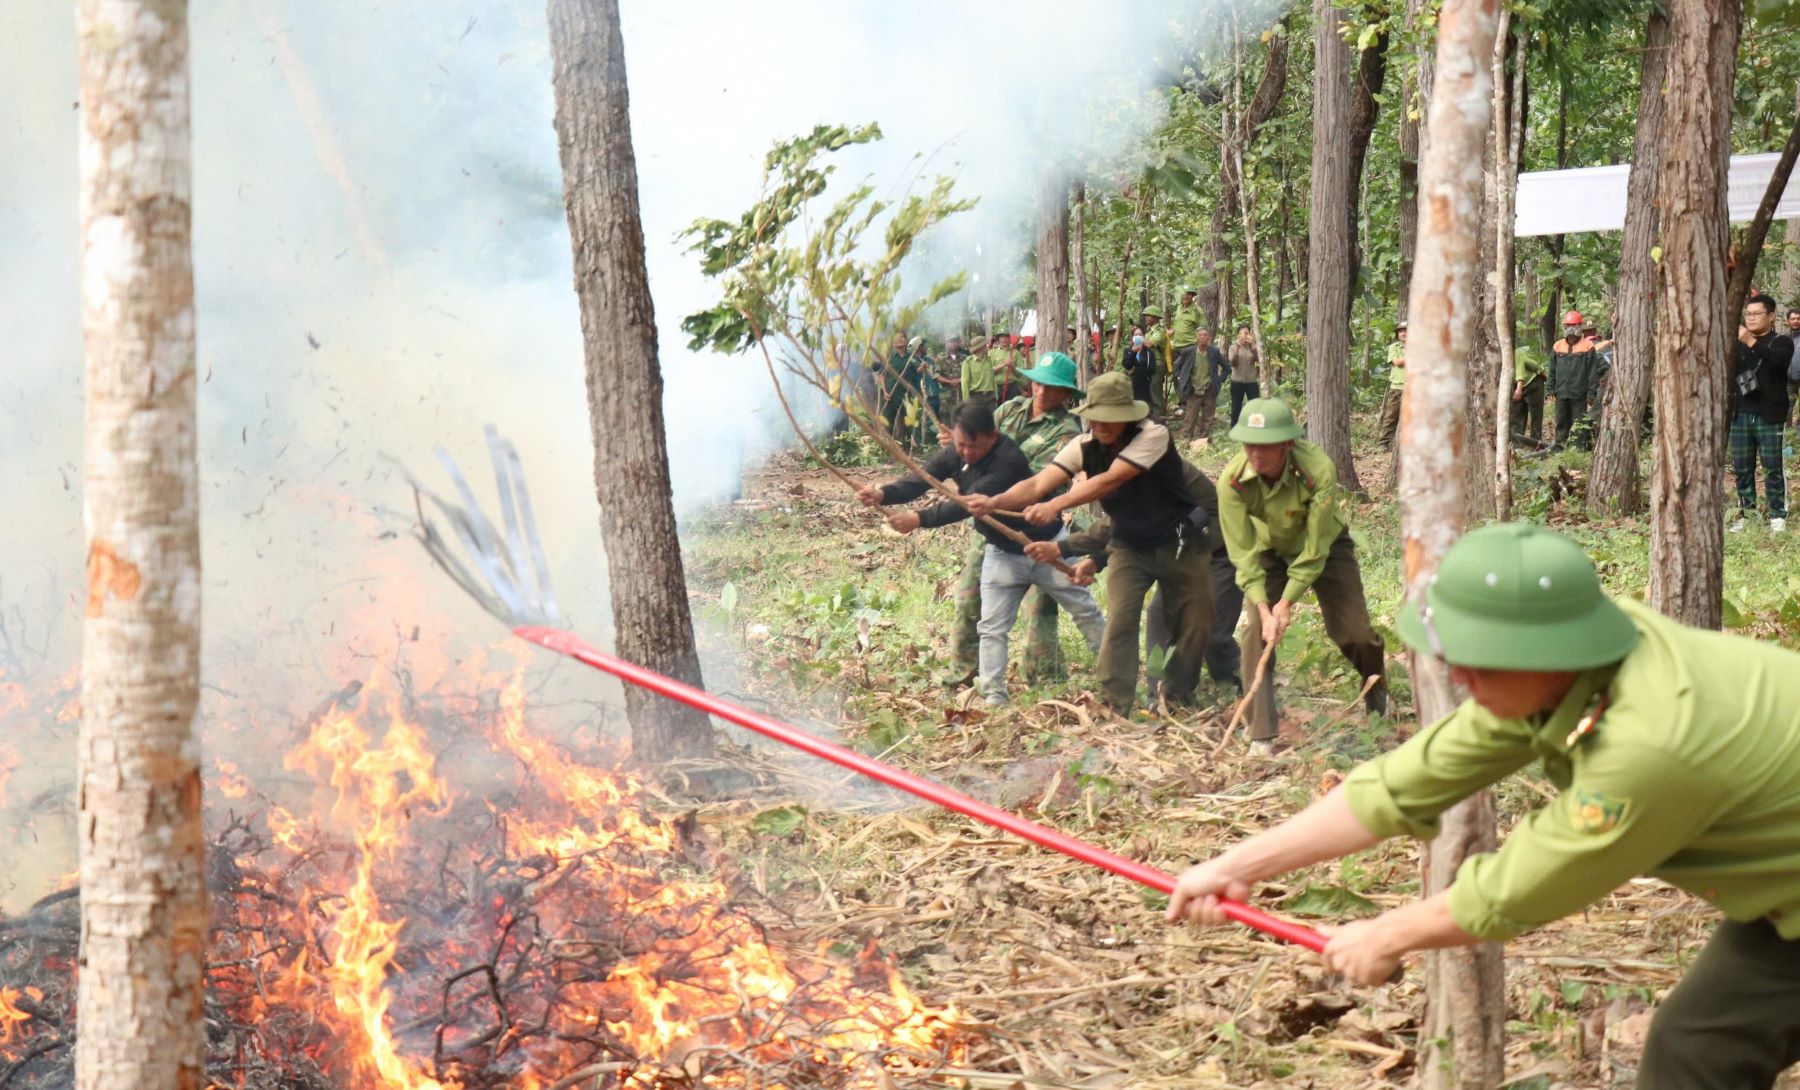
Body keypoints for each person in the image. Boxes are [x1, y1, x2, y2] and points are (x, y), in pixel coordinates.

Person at [1166, 522, 1800, 1090]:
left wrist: (1385, 935)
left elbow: (1514, 890)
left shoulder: (1652, 745)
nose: (1460, 679)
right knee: (1697, 1050)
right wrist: (1235, 867)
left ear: (1548, 652)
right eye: (1454, 657)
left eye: (1479, 663)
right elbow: (1396, 788)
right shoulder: (1570, 664)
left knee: (1697, 1048)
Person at [968, 372, 1213, 714]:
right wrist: (994, 502)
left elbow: (1110, 480)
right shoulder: (1083, 445)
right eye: (1094, 418)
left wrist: (1055, 505)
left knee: (1195, 621)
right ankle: (1116, 704)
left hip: (1179, 543)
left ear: (1127, 416)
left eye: (1108, 418)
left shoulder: (1153, 435)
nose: (1100, 425)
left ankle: (1177, 696)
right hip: (1129, 546)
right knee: (1121, 620)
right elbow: (1037, 484)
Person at [857, 401, 1104, 707]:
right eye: (960, 444)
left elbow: (965, 505)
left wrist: (918, 519)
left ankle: (1116, 675)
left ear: (992, 436)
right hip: (1002, 553)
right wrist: (883, 493)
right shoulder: (957, 451)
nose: (965, 452)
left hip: (1048, 547)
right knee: (992, 627)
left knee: (1085, 612)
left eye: (972, 447)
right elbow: (923, 478)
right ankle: (993, 697)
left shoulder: (1008, 460)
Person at [1218, 398, 1387, 751]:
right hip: (1268, 552)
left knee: (1355, 633)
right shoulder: (1232, 482)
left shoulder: (1317, 469)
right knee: (1256, 635)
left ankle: (1377, 699)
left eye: (1266, 446)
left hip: (1324, 546)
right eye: (1249, 445)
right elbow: (1242, 552)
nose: (1256, 454)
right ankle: (1261, 733)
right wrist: (1265, 608)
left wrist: (1286, 603)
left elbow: (1314, 548)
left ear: (1288, 443)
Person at [1032, 456, 1243, 694]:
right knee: (1158, 617)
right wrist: (1097, 560)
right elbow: (1131, 528)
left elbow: (1115, 523)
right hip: (1180, 552)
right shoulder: (1128, 468)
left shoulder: (1157, 467)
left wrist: (1062, 547)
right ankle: (1161, 692)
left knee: (1212, 633)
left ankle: (1236, 679)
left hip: (1219, 553)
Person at [946, 352, 1086, 689]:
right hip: (991, 527)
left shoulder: (1068, 432)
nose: (1042, 391)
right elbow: (979, 443)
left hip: (1038, 531)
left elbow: (1037, 480)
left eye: (1052, 387)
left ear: (1066, 393)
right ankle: (963, 673)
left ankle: (1046, 677)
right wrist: (962, 445)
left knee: (1041, 608)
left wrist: (983, 465)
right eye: (1038, 383)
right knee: (970, 599)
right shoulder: (1009, 410)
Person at [1729, 293, 1798, 534]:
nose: (1751, 318)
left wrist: (1750, 341)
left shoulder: (1781, 342)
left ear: (1771, 316)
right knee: (1742, 467)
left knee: (1772, 467)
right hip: (1740, 413)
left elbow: (1778, 363)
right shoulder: (1736, 342)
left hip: (1770, 415)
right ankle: (1747, 514)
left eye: (1757, 314)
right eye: (1748, 314)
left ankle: (1777, 514)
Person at [1548, 310, 1599, 451]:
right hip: (1561, 392)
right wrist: (1550, 388)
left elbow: (1592, 372)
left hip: (1579, 393)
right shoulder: (1557, 346)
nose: (1571, 329)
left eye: (1574, 325)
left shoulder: (1588, 346)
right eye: (1568, 325)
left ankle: (1578, 449)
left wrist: (1591, 393)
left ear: (1580, 326)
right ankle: (1560, 447)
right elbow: (1552, 369)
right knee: (1561, 421)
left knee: (1579, 423)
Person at [1181, 327, 1230, 442]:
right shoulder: (1188, 352)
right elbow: (1177, 365)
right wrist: (1181, 377)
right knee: (1190, 417)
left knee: (1208, 417)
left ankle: (1203, 439)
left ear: (1208, 337)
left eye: (1205, 335)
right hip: (1193, 389)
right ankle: (1185, 439)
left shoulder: (1214, 352)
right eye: (1200, 335)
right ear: (1196, 337)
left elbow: (1227, 367)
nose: (1203, 337)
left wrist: (1219, 380)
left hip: (1209, 389)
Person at [1169, 286, 1202, 422]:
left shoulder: (1197, 311)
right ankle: (1182, 403)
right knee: (1176, 376)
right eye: (1184, 294)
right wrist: (1170, 332)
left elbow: (1202, 329)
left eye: (1189, 294)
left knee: (1188, 376)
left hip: (1190, 347)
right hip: (1176, 347)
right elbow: (1177, 326)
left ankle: (1190, 405)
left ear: (1192, 296)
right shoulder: (1178, 308)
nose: (1186, 296)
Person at [1511, 339, 1547, 445]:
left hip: (1532, 383)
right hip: (1516, 387)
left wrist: (1519, 389)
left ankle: (1536, 443)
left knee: (1535, 415)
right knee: (1517, 416)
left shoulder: (1516, 352)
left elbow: (1520, 370)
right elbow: (1531, 364)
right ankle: (1517, 444)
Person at [1377, 321, 1406, 448]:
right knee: (1391, 416)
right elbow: (1397, 362)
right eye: (1400, 331)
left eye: (1405, 331)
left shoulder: (1417, 346)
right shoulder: (1394, 347)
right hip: (1397, 387)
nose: (1403, 333)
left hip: (1413, 388)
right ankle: (1383, 443)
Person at [1226, 326, 1261, 429]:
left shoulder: (1254, 347)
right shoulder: (1232, 347)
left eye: (1246, 333)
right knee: (1236, 407)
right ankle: (1234, 429)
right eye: (1241, 333)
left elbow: (1259, 360)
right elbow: (1232, 363)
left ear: (1250, 334)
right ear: (1238, 335)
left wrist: (1252, 346)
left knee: (1255, 406)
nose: (1244, 335)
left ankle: (1255, 428)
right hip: (1237, 382)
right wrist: (1237, 347)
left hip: (1251, 381)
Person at [1141, 305, 1171, 418]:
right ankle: (1152, 415)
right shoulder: (1149, 332)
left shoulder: (1160, 331)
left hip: (1157, 364)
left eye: (1148, 315)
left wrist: (1138, 337)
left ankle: (1159, 416)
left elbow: (1149, 344)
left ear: (1155, 317)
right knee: (1148, 390)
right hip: (1148, 364)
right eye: (1145, 316)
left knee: (1155, 389)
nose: (1146, 318)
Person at [961, 335, 999, 413]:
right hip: (976, 397)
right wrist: (966, 402)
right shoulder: (968, 362)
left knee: (992, 418)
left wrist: (995, 395)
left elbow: (992, 379)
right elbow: (965, 383)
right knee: (978, 419)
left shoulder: (989, 360)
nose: (987, 347)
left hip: (990, 396)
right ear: (980, 347)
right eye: (985, 345)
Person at [1120, 330, 1157, 407]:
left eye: (1140, 334)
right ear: (1132, 337)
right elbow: (1127, 365)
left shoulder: (1149, 352)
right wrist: (1133, 352)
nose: (1138, 336)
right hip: (1131, 384)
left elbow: (1152, 369)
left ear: (1143, 336)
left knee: (1144, 406)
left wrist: (1135, 370)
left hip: (1145, 384)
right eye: (1135, 335)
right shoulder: (1127, 351)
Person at [935, 334, 968, 419]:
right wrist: (949, 382)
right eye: (951, 341)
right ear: (946, 343)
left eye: (955, 341)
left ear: (958, 343)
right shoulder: (940, 358)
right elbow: (936, 375)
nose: (953, 344)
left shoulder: (964, 358)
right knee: (946, 419)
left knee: (961, 418)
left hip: (961, 394)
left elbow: (969, 374)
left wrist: (960, 380)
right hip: (946, 396)